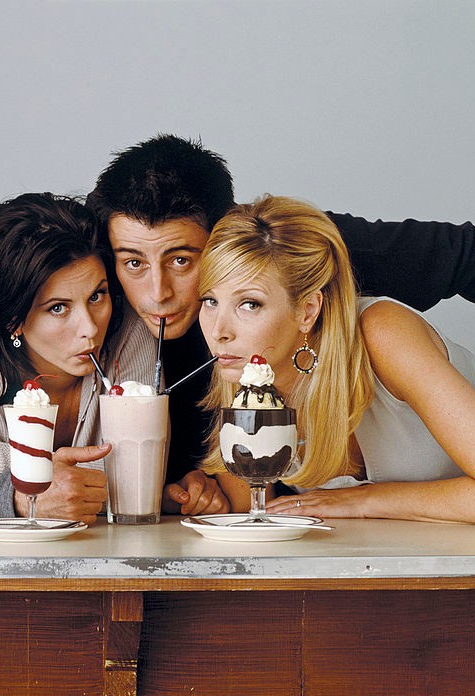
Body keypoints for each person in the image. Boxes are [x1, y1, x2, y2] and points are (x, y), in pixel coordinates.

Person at [87, 134, 475, 507]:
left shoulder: (302, 254)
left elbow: (466, 255)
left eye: (182, 260)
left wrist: (366, 500)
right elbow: (248, 508)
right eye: (134, 262)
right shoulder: (232, 359)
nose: (158, 292)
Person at [197, 195, 475, 524]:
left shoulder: (382, 333)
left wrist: (366, 500)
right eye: (210, 300)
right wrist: (200, 494)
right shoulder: (240, 374)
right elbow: (254, 520)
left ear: (307, 310)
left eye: (250, 304)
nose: (218, 331)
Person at [0, 193, 173, 523]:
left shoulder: (130, 334)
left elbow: (138, 480)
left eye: (96, 296)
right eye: (58, 308)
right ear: (12, 320)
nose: (89, 328)